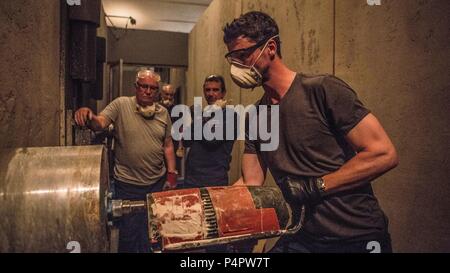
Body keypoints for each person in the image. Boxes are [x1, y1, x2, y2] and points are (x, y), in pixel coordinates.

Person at [223, 11, 399, 253]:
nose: (237, 66)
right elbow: (251, 181)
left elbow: (383, 153)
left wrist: (316, 186)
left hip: (356, 234)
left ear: (270, 48)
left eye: (243, 55)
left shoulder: (322, 89)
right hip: (302, 234)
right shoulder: (255, 116)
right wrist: (207, 206)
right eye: (232, 59)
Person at [74, 69, 177, 253]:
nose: (148, 91)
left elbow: (168, 144)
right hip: (127, 184)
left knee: (151, 236)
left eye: (153, 88)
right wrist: (88, 115)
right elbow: (100, 123)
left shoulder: (163, 113)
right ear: (136, 87)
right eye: (144, 86)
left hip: (155, 184)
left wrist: (171, 174)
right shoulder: (121, 105)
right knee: (128, 238)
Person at [183, 75, 237, 189]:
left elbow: (211, 139)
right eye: (208, 90)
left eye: (216, 90)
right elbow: (186, 141)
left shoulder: (230, 116)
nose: (211, 94)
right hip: (191, 179)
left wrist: (198, 119)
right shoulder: (204, 114)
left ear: (223, 93)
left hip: (214, 180)